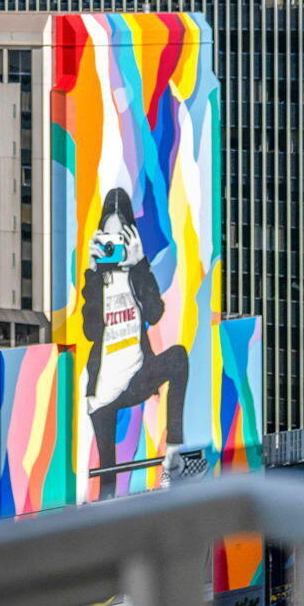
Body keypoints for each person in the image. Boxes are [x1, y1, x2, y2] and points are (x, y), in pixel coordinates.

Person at [82, 186, 189, 493]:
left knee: (179, 357)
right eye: (108, 237)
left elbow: (155, 313)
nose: (114, 245)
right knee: (108, 482)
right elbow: (90, 331)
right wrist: (91, 272)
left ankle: (174, 452)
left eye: (121, 237)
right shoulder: (97, 280)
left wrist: (139, 264)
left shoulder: (135, 273)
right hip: (104, 391)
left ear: (131, 237)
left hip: (138, 377)